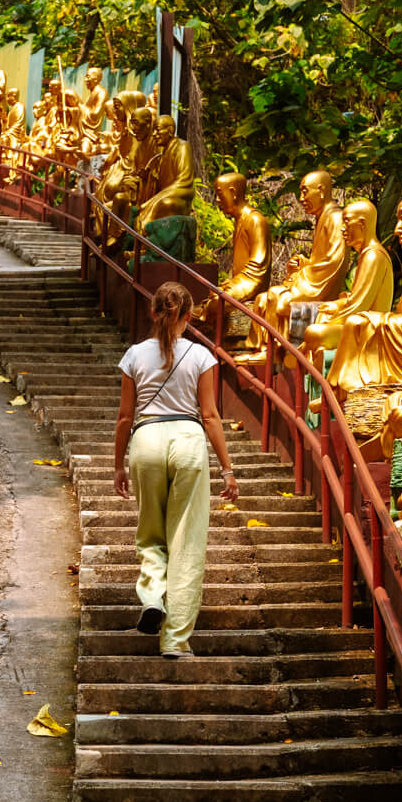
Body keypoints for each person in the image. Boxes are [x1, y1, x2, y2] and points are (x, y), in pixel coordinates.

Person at [113, 281, 239, 656]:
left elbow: (124, 418)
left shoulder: (135, 355)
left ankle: (152, 596)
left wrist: (118, 464)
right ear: (188, 318)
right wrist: (227, 470)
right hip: (187, 441)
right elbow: (211, 415)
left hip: (146, 440)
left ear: (153, 313)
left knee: (150, 533)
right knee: (186, 543)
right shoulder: (201, 356)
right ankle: (175, 639)